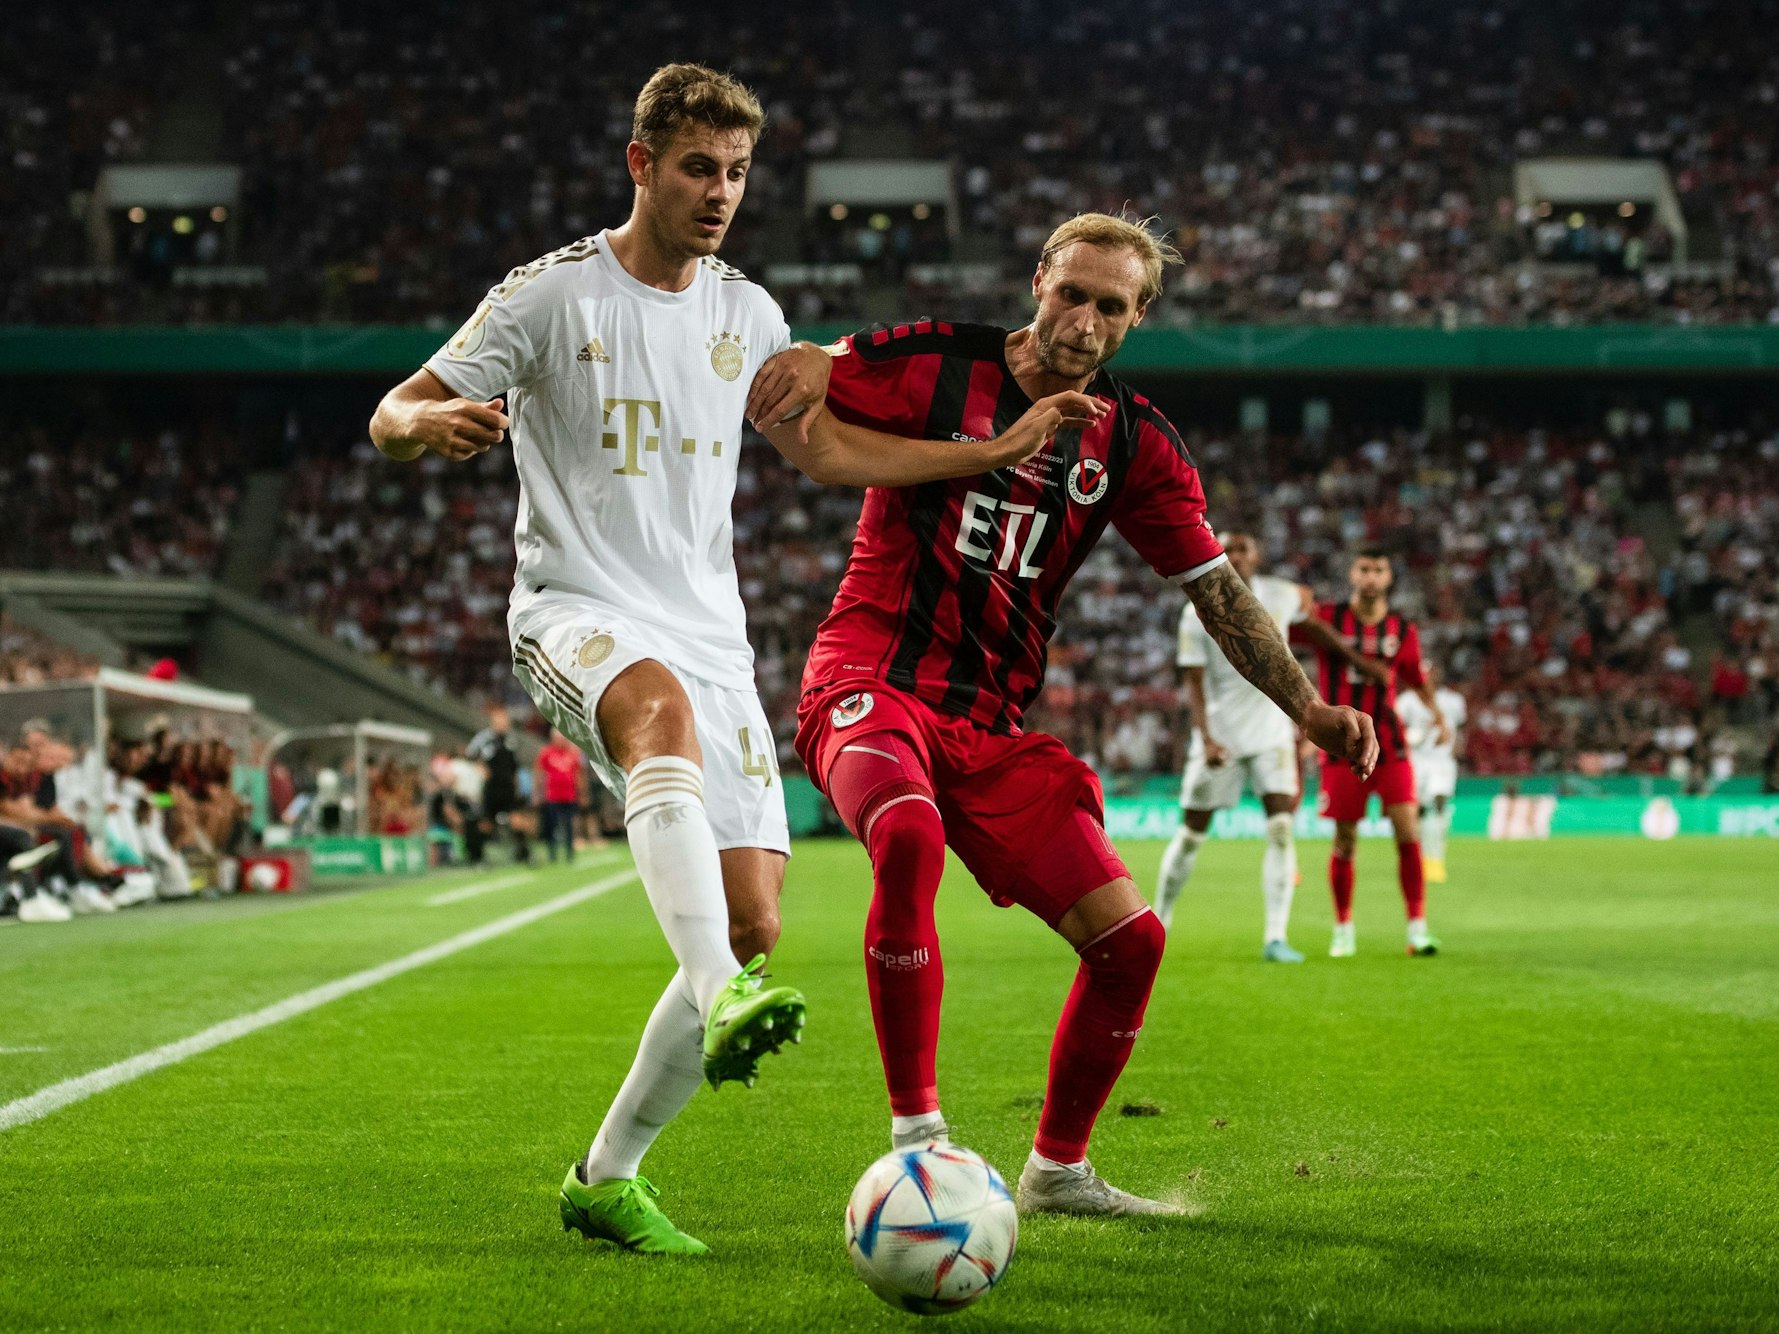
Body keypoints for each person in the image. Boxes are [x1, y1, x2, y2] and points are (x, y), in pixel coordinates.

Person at [368, 63, 1098, 1255]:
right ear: (641, 164)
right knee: (657, 730)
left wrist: (988, 452)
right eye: (699, 167)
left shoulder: (748, 315)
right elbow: (394, 408)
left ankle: (606, 1175)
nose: (721, 192)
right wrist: (423, 429)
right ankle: (720, 997)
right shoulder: (549, 298)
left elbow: (825, 453)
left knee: (753, 913)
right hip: (576, 606)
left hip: (712, 630)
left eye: (739, 172)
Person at [794, 212, 1378, 1216]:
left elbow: (1220, 590)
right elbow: (790, 388)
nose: (1084, 319)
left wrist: (1309, 706)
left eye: (1111, 305)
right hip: (870, 675)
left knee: (1133, 942)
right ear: (1038, 280)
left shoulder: (1135, 441)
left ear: (1137, 317)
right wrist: (813, 382)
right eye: (1072, 293)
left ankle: (1058, 1167)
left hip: (990, 723)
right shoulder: (931, 362)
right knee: (906, 832)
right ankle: (919, 1143)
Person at [1154, 532, 1384, 960]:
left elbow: (1315, 621)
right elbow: (1195, 684)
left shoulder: (1279, 594)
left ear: (1257, 557)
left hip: (1273, 731)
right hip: (1221, 734)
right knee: (1190, 834)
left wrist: (1357, 661)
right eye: (1230, 549)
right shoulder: (1196, 611)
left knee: (1280, 827)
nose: (1237, 556)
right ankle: (1158, 923)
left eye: (1244, 549)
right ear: (1221, 553)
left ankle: (1276, 937)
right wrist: (1205, 737)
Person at [1294, 549, 1448, 957]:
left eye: (1379, 569)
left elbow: (1416, 677)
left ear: (1390, 576)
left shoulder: (1402, 627)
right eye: (1364, 569)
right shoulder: (1327, 617)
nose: (1371, 577)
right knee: (1345, 839)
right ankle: (1343, 927)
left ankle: (1417, 927)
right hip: (1342, 746)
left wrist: (1438, 716)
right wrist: (1296, 600)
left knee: (1408, 831)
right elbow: (1284, 627)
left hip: (1392, 745)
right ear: (1352, 572)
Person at [1397, 666, 1467, 884]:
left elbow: (1462, 729)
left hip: (1442, 761)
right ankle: (1420, 859)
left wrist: (1458, 749)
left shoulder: (1454, 701)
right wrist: (1411, 738)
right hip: (1417, 760)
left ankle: (1435, 859)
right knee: (1418, 810)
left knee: (1439, 803)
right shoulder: (1407, 700)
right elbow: (1397, 730)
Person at [467, 705, 530, 865]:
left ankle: (523, 854)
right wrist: (481, 768)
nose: (503, 723)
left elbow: (514, 765)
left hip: (508, 787)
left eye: (505, 720)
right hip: (492, 788)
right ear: (493, 721)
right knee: (486, 823)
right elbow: (469, 754)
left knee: (517, 821)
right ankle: (478, 858)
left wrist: (516, 786)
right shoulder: (484, 738)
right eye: (500, 720)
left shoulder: (511, 739)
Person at [535, 729, 585, 863]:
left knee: (569, 825)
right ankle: (552, 854)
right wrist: (537, 793)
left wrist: (582, 793)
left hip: (569, 795)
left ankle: (569, 853)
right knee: (552, 825)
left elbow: (578, 774)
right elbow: (539, 773)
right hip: (552, 796)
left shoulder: (573, 753)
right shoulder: (546, 753)